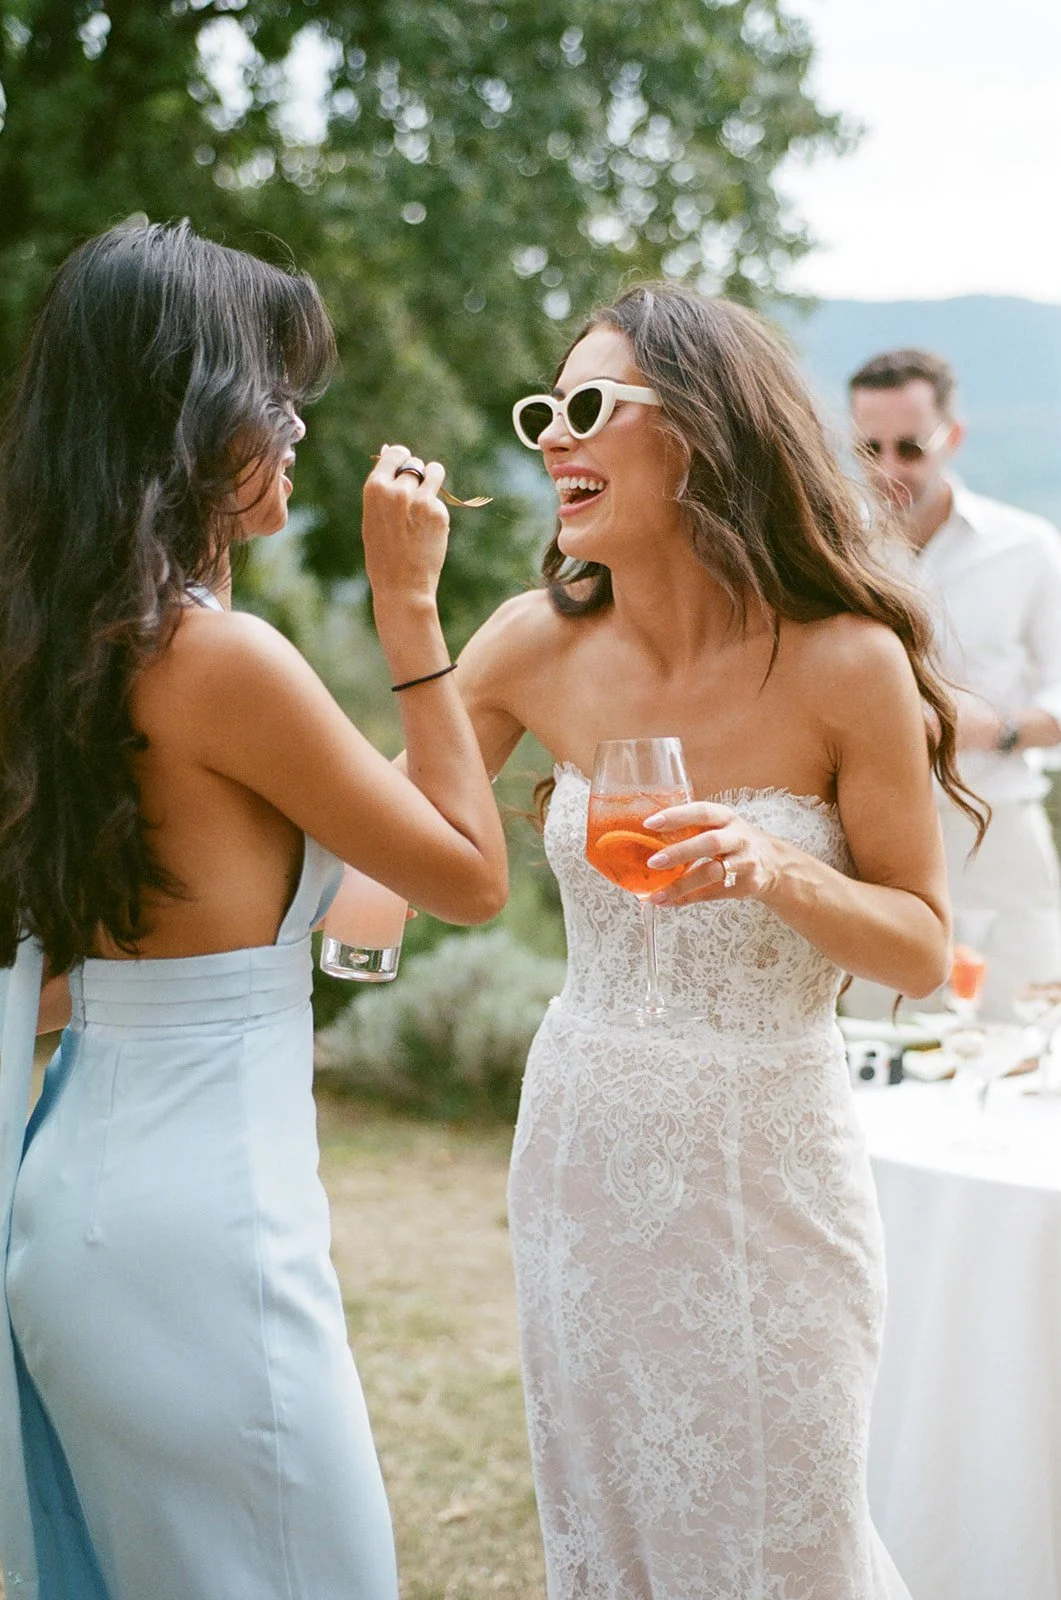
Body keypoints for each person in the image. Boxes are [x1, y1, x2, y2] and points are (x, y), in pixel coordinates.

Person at [450, 284, 984, 1599]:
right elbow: (396, 847)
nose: (553, 442)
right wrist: (411, 629)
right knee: (608, 1522)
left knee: (782, 1536)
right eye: (543, 414)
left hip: (768, 1167)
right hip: (582, 1144)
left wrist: (781, 873)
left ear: (697, 432)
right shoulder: (530, 644)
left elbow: (919, 946)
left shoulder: (846, 663)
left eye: (588, 409)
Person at [0, 220, 508, 1600]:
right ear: (184, 415)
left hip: (88, 1206)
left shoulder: (62, 645)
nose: (295, 425)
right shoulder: (223, 663)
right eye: (270, 391)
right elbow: (467, 875)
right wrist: (413, 616)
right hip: (201, 1242)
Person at [846, 347, 1061, 1020]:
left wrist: (994, 730)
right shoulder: (831, 552)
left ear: (952, 437)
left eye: (907, 447)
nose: (887, 470)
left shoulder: (1028, 547)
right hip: (869, 839)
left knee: (1019, 1043)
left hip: (996, 834)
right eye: (867, 448)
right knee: (878, 1048)